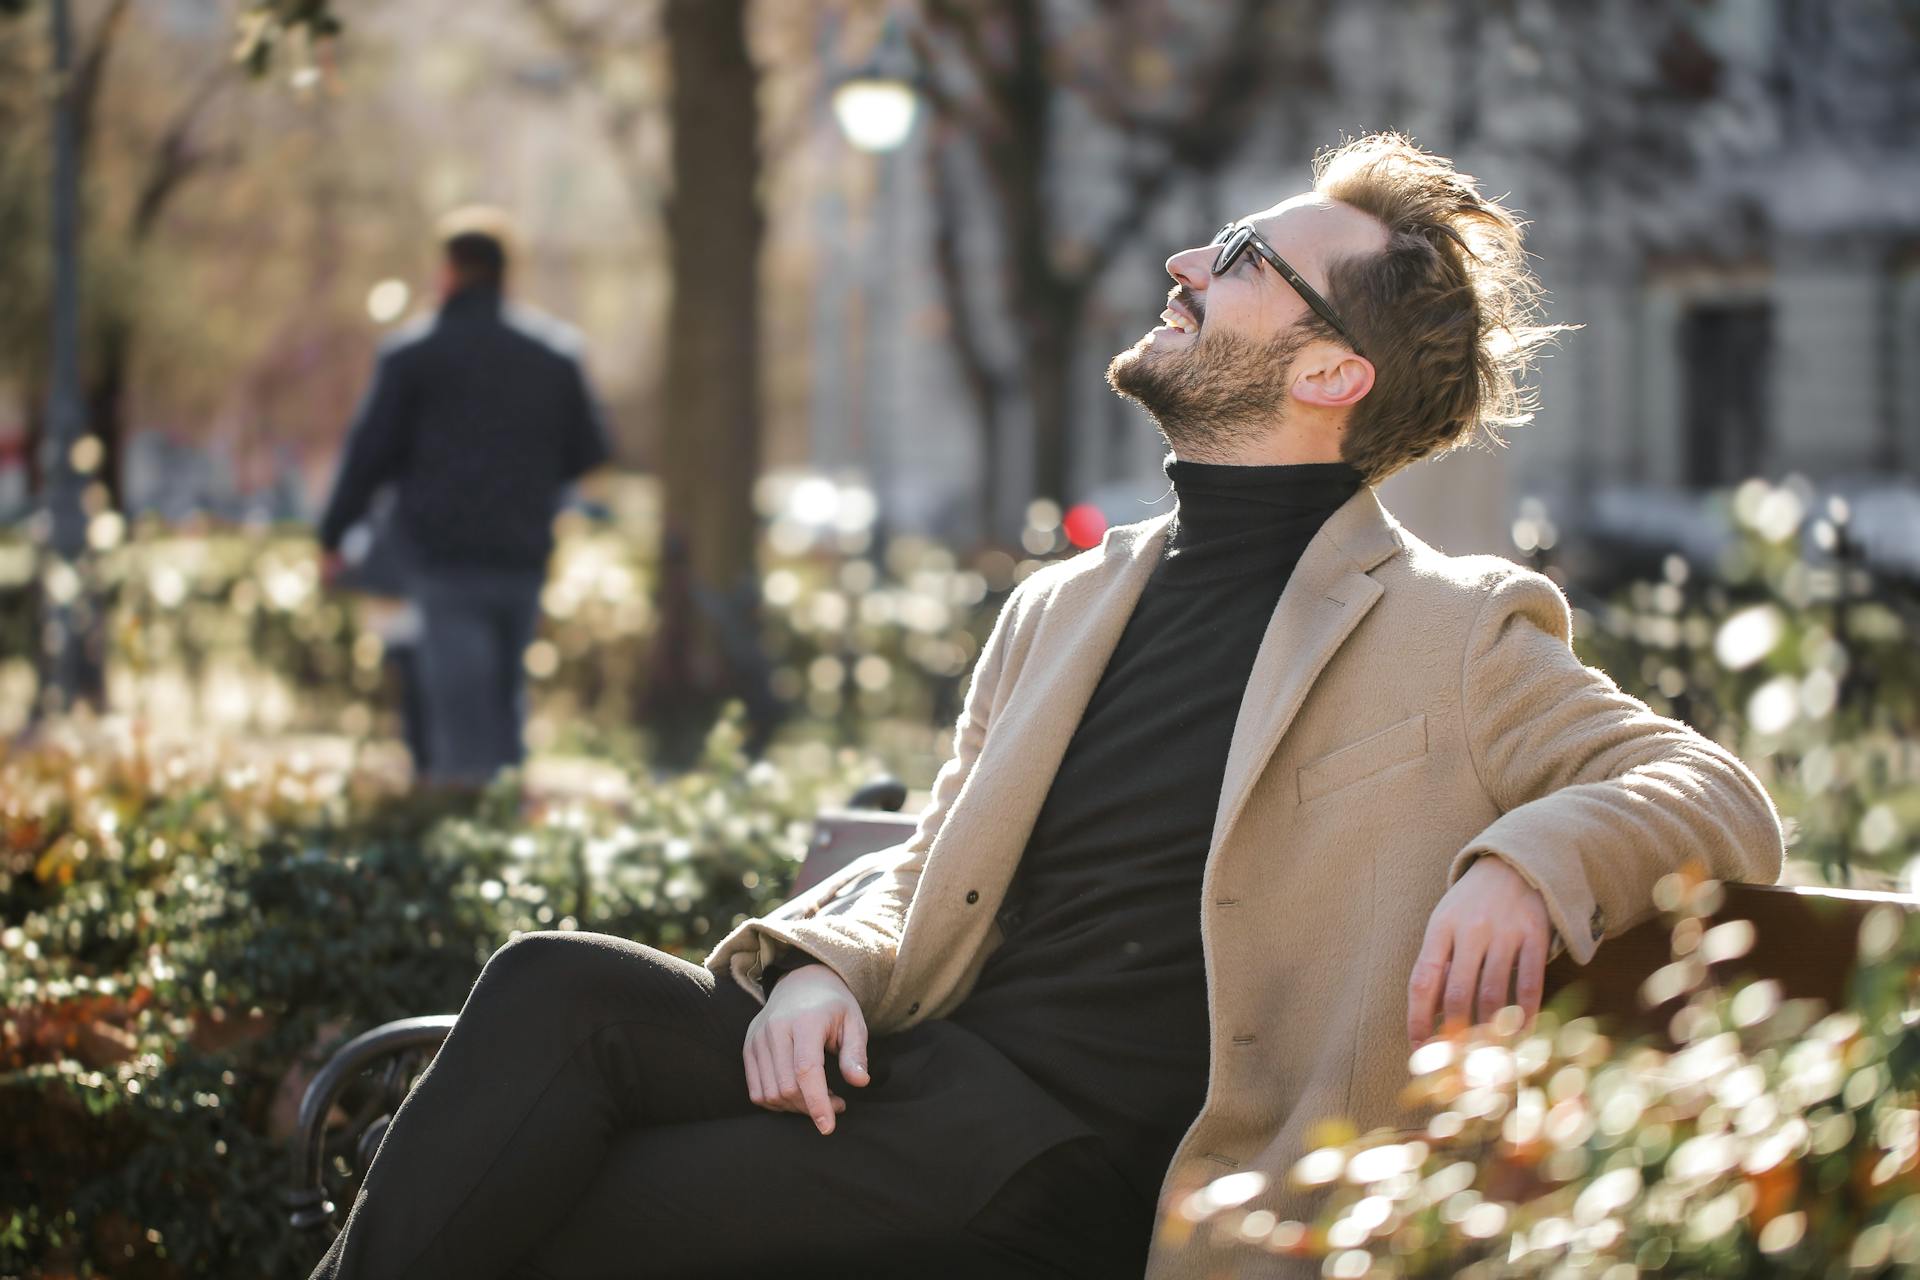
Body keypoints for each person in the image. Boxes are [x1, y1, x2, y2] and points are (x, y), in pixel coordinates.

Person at [308, 134, 1784, 1280]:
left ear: (1331, 368)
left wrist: (1529, 860)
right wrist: (824, 962)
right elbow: (931, 850)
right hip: (928, 1077)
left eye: (1245, 255)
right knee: (553, 988)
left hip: (1071, 1167)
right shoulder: (1072, 600)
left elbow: (1716, 796)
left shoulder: (1450, 631)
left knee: (553, 1219)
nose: (1186, 261)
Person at [317, 207, 611, 786]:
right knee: (503, 705)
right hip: (523, 554)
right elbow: (588, 452)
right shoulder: (554, 357)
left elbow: (368, 455)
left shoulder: (413, 355)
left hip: (441, 556)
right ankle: (501, 833)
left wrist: (332, 536)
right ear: (507, 273)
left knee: (458, 718)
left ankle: (468, 843)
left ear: (448, 271)